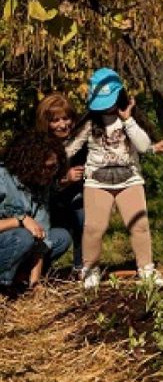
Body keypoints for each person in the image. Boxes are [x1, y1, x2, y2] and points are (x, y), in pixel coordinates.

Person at [65, 68, 163, 289]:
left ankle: (146, 269)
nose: (106, 107)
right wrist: (54, 163)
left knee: (140, 226)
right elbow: (69, 149)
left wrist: (128, 120)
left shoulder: (130, 120)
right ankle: (90, 269)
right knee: (94, 228)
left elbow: (143, 147)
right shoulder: (89, 123)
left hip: (130, 180)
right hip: (97, 182)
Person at [0, 131, 72, 294]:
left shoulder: (41, 186)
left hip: (16, 243)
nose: (52, 173)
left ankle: (21, 279)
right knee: (23, 236)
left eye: (54, 167)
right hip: (9, 239)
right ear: (30, 164)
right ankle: (4, 285)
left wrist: (35, 283)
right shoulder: (2, 179)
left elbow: (42, 236)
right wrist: (20, 220)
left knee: (60, 237)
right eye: (47, 168)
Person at [36, 93, 86, 272]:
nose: (62, 125)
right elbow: (41, 185)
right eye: (55, 120)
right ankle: (39, 267)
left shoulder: (81, 142)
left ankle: (81, 266)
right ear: (46, 123)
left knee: (83, 216)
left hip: (77, 196)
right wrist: (65, 179)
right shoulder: (39, 147)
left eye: (66, 118)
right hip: (47, 201)